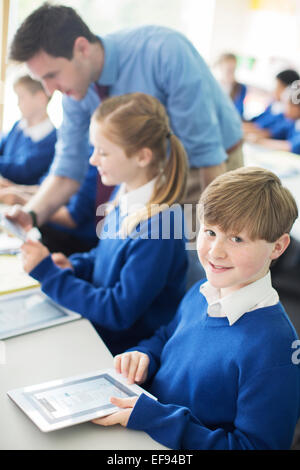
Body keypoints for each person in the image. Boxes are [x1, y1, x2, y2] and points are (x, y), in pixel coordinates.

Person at [92, 166, 300, 450]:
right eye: (210, 232)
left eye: (237, 239)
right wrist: (145, 355)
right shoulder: (202, 291)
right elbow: (167, 336)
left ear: (277, 247)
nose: (216, 251)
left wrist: (157, 420)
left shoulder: (274, 348)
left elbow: (255, 447)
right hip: (144, 427)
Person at [7, 2, 243, 235]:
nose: (49, 90)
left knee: (194, 250)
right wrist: (30, 214)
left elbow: (206, 154)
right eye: (42, 80)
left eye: (52, 75)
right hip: (145, 167)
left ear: (82, 49)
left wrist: (214, 235)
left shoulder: (164, 51)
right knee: (131, 242)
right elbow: (68, 168)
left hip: (208, 163)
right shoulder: (73, 92)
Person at [21, 93, 188, 355]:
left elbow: (119, 311)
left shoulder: (160, 226)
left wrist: (49, 275)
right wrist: (75, 266)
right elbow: (105, 255)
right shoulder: (125, 192)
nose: (93, 160)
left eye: (103, 152)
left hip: (121, 351)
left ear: (142, 157)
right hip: (98, 331)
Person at [0, 74, 56, 185]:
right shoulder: (19, 126)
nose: (17, 103)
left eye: (21, 97)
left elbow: (24, 170)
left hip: (22, 197)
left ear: (41, 98)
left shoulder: (52, 139)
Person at [243, 69, 300, 140]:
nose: (274, 90)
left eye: (277, 87)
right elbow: (254, 122)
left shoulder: (288, 116)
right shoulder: (274, 106)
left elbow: (269, 133)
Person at [253, 86, 300, 154]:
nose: (285, 109)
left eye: (287, 105)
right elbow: (272, 132)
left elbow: (290, 146)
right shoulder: (292, 122)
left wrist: (259, 141)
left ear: (297, 107)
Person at [215, 52, 247, 118]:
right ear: (221, 68)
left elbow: (239, 111)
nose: (231, 73)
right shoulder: (214, 86)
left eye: (233, 70)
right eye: (229, 70)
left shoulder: (240, 88)